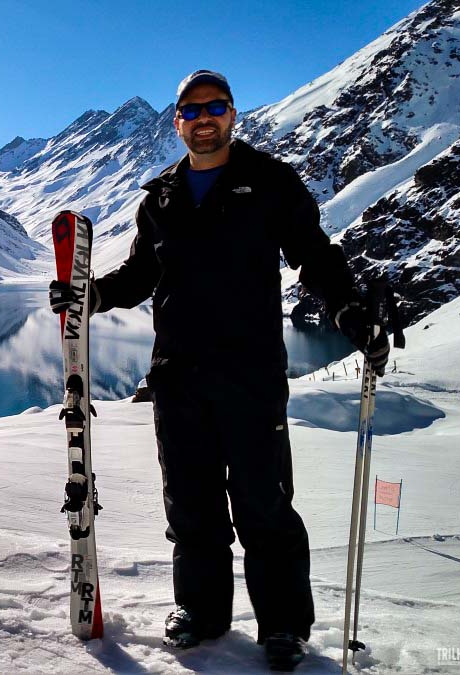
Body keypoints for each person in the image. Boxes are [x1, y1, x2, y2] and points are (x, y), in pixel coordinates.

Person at [49, 70, 390, 671]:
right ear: (177, 121)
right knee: (191, 504)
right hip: (177, 376)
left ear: (233, 115)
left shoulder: (269, 182)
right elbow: (141, 276)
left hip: (250, 372)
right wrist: (90, 297)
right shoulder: (160, 197)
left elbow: (313, 253)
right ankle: (201, 612)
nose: (204, 118)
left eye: (216, 107)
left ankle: (283, 625)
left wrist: (349, 308)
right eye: (191, 110)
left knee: (264, 503)